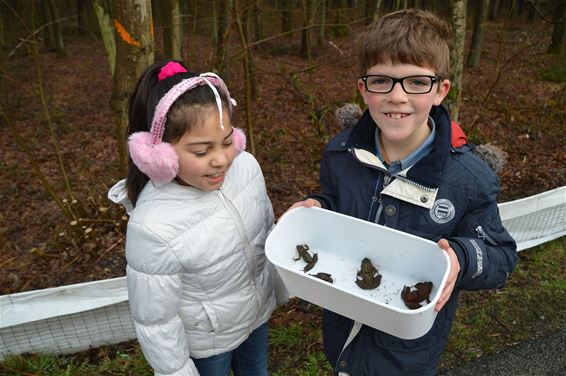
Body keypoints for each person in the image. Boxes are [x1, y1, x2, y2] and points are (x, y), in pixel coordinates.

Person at [287, 9, 518, 376]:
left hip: (407, 354)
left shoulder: (468, 178)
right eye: (382, 81)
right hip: (343, 333)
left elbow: (501, 256)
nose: (397, 96)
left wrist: (461, 256)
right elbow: (335, 200)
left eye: (416, 82)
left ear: (441, 90)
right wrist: (318, 208)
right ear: (364, 89)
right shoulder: (341, 155)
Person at [108, 61, 279, 376]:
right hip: (208, 342)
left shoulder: (247, 168)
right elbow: (156, 320)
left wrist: (279, 285)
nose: (221, 159)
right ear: (159, 154)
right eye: (201, 151)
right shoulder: (153, 227)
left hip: (256, 316)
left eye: (227, 141)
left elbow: (264, 233)